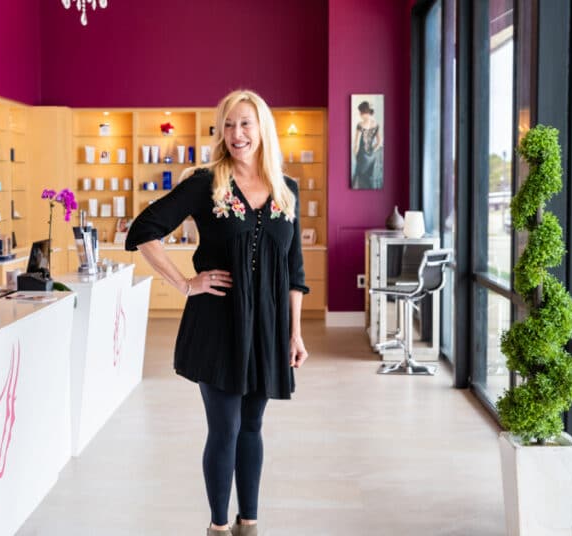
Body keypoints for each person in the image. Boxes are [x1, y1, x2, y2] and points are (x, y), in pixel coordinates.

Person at [125, 89, 310, 536]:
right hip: (218, 324)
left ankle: (250, 523)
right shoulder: (205, 183)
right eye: (228, 125)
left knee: (253, 426)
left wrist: (295, 333)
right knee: (224, 428)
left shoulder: (287, 189)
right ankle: (218, 526)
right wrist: (186, 284)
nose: (236, 134)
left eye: (245, 123)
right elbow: (143, 230)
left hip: (267, 328)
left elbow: (294, 268)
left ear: (262, 127)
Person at [352, 100, 383, 189]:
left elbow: (356, 144)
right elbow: (379, 142)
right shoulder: (376, 124)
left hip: (361, 155)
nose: (359, 114)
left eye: (360, 112)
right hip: (371, 156)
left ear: (363, 112)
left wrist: (355, 155)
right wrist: (372, 151)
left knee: (359, 178)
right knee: (368, 179)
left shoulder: (360, 124)